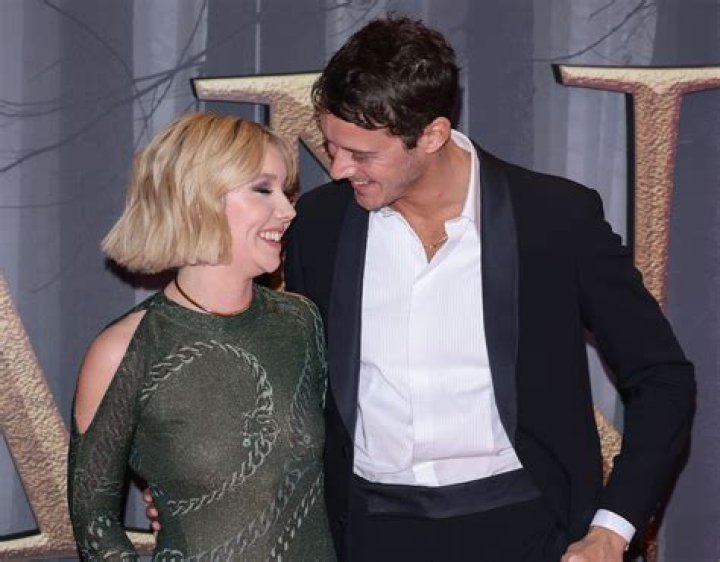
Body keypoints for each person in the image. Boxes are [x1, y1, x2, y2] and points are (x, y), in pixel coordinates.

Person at [281, 16, 696, 562]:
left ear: (432, 135)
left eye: (362, 155)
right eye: (332, 147)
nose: (337, 169)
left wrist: (612, 529)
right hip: (371, 532)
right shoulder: (319, 226)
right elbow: (297, 390)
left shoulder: (554, 220)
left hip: (526, 529)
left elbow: (663, 378)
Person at [67, 112, 335, 561]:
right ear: (198, 199)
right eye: (263, 189)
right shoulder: (126, 350)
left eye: (285, 191)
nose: (288, 210)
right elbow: (94, 527)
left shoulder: (300, 322)